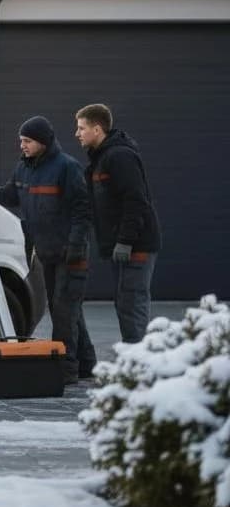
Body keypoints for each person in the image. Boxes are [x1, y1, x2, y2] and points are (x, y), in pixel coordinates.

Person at [0, 115, 97, 384]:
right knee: (65, 309)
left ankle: (66, 369)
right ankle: (86, 363)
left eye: (28, 141)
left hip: (70, 254)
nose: (22, 145)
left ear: (42, 142)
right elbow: (9, 196)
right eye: (21, 140)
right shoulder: (24, 168)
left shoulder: (67, 167)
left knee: (64, 311)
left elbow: (83, 210)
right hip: (46, 253)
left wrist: (75, 245)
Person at [75, 103, 161, 344]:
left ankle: (138, 358)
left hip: (136, 245)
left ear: (97, 129)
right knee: (125, 302)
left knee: (132, 302)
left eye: (81, 128)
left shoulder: (119, 156)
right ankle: (133, 353)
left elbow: (136, 200)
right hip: (121, 245)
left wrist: (125, 241)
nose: (77, 133)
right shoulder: (100, 159)